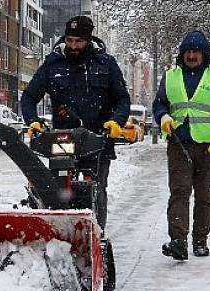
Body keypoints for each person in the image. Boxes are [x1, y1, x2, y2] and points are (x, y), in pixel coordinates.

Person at [21, 15, 131, 231]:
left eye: (79, 41)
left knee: (96, 188)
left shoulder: (106, 64)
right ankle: (60, 230)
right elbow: (29, 97)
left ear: (88, 40)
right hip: (63, 140)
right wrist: (33, 121)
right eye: (69, 40)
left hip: (97, 139)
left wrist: (116, 122)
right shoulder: (53, 64)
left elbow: (122, 99)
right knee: (60, 187)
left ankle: (96, 233)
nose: (73, 46)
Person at [152, 30, 210, 260]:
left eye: (196, 52)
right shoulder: (171, 76)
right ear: (182, 54)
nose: (191, 56)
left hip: (208, 146)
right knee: (179, 192)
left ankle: (200, 240)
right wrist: (163, 116)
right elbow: (159, 104)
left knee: (204, 195)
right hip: (179, 143)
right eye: (188, 52)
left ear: (204, 54)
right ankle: (178, 240)